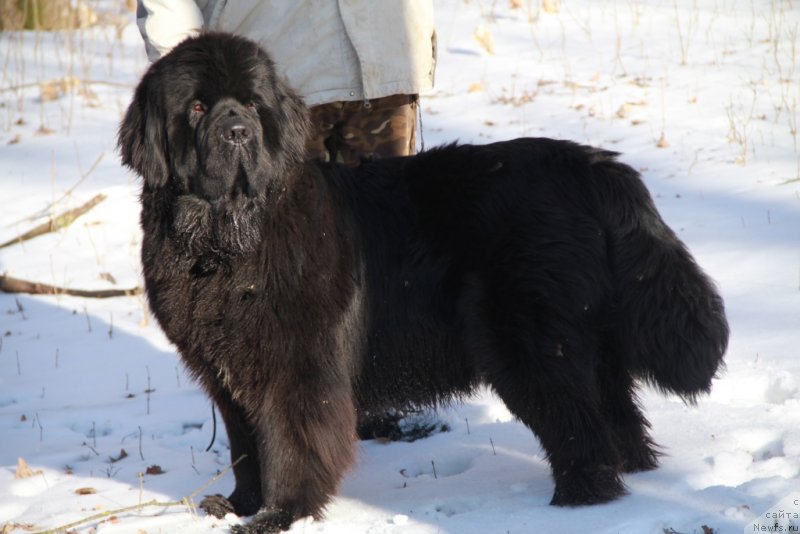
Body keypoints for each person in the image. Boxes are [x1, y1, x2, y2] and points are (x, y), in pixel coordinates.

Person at [135, 1, 436, 166]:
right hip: (267, 89)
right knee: (281, 254)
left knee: (389, 249)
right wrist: (184, 69)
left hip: (385, 64)